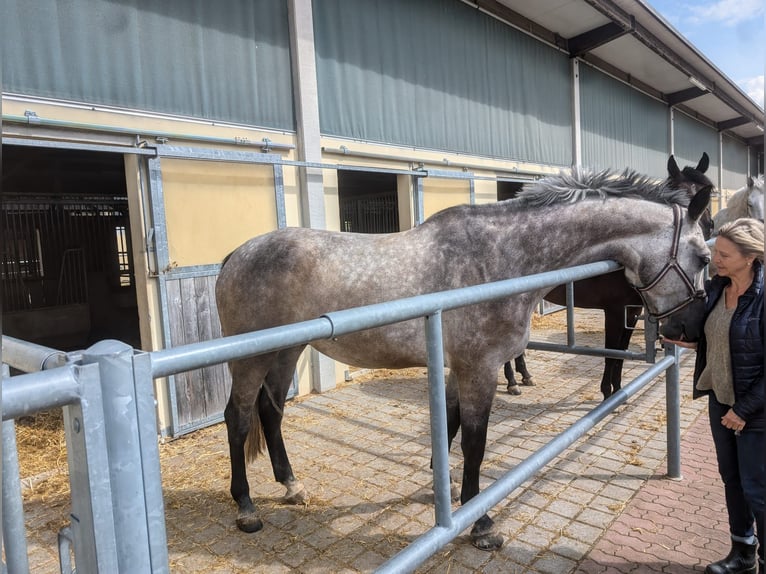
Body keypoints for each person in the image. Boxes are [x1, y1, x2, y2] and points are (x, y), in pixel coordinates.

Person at [664, 217, 764, 574]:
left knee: (758, 488)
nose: (715, 259)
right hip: (720, 399)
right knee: (732, 479)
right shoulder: (718, 288)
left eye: (724, 254)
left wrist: (745, 409)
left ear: (750, 256)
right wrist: (693, 342)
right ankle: (742, 554)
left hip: (755, 409)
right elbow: (722, 336)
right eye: (715, 252)